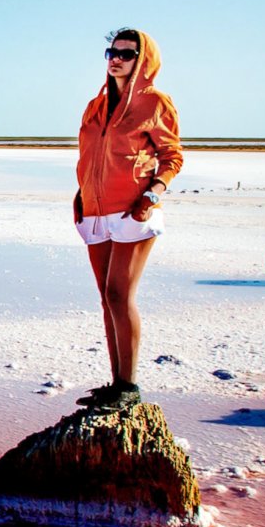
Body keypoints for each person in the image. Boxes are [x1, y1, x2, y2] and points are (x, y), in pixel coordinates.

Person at [74, 27, 182, 398]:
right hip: (94, 212)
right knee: (106, 298)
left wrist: (152, 194)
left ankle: (129, 385)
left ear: (144, 58)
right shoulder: (96, 105)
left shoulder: (154, 103)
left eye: (127, 53)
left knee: (120, 294)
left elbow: (172, 157)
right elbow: (88, 156)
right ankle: (116, 383)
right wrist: (80, 195)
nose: (116, 59)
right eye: (112, 52)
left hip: (134, 211)